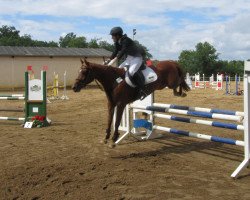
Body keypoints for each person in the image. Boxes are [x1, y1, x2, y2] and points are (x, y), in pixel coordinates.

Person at [108, 26, 147, 99]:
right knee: (119, 69)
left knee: (131, 72)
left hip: (137, 57)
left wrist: (114, 60)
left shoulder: (126, 40)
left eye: (112, 36)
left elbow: (123, 51)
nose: (112, 38)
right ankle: (121, 87)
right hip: (129, 58)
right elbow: (115, 51)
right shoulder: (117, 42)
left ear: (117, 35)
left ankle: (142, 90)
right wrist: (108, 60)